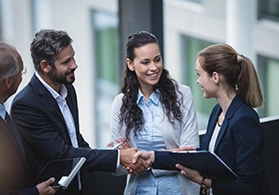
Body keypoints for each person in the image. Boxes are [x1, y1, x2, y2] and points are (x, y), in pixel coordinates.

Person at [10, 29, 148, 195]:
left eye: (73, 57)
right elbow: (62, 154)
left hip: (80, 187)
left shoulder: (68, 89)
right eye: (66, 61)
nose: (74, 64)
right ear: (45, 66)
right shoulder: (25, 104)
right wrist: (118, 158)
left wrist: (110, 153)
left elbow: (75, 140)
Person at [133, 43, 271, 195]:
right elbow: (203, 158)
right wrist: (152, 157)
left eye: (199, 74)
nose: (198, 81)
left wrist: (203, 181)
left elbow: (249, 187)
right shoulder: (217, 111)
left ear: (215, 77)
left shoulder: (245, 120)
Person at [109, 31, 200, 195]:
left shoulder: (182, 95)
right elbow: (117, 161)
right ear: (130, 64)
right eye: (145, 62)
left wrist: (144, 159)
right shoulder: (120, 103)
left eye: (157, 59)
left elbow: (189, 155)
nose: (154, 67)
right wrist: (171, 155)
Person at [0, 42, 57, 195]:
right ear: (9, 81)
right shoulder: (22, 105)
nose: (22, 76)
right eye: (21, 72)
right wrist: (35, 192)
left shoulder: (3, 113)